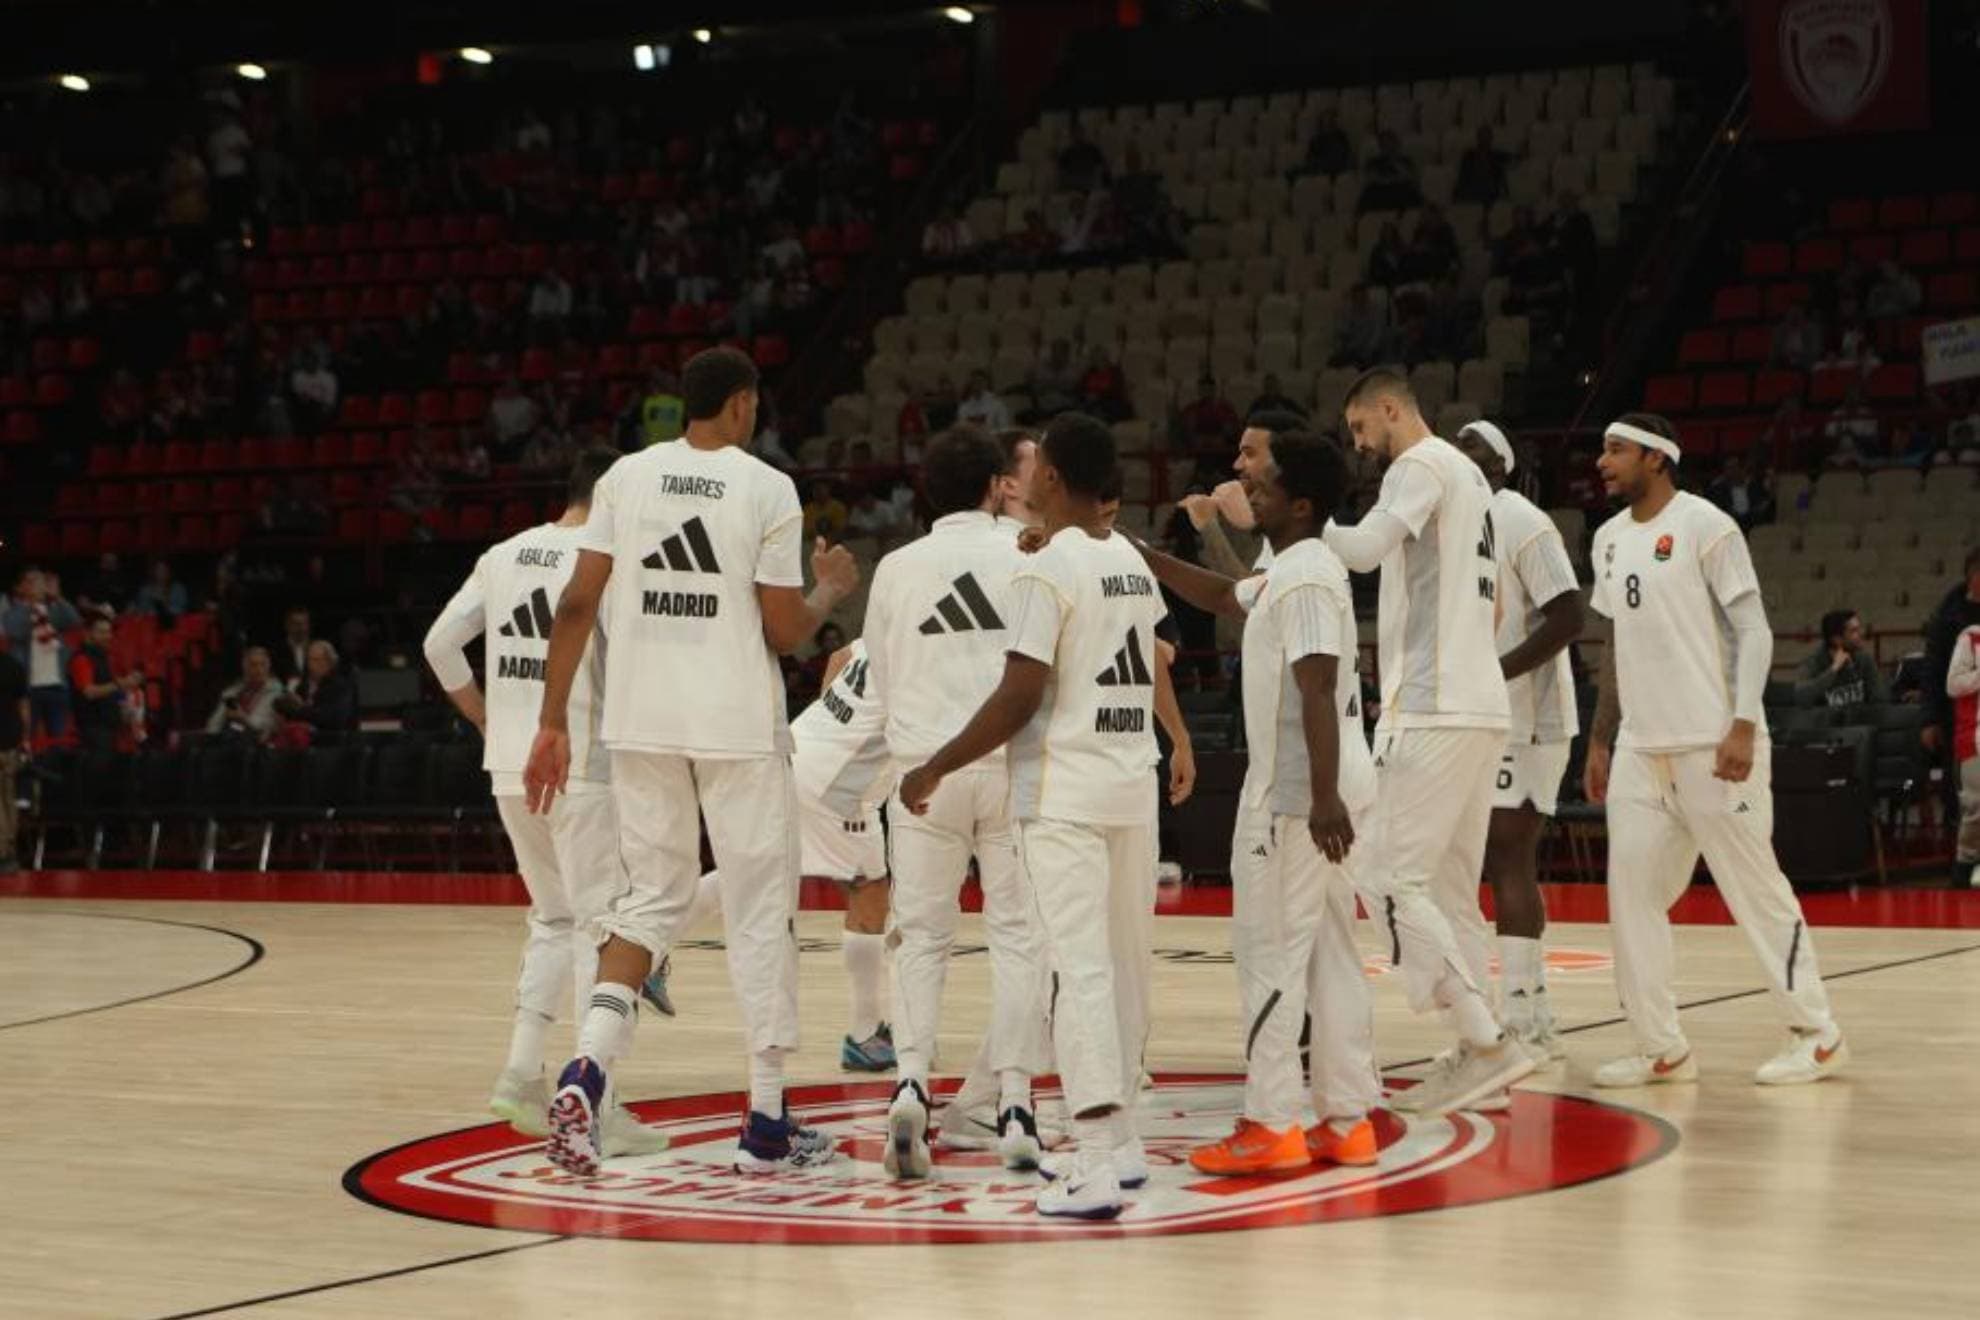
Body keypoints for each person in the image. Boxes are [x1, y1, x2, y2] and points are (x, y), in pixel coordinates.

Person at [522, 347, 860, 1176]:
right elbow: (783, 631)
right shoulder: (765, 487)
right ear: (742, 405)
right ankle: (767, 1123)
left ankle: (587, 1071)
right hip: (736, 726)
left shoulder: (625, 479)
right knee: (758, 909)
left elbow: (574, 605)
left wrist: (550, 723)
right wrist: (827, 594)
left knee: (650, 902)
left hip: (640, 722)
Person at [898, 412, 1166, 1220]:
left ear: (1051, 478)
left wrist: (935, 764)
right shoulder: (1127, 558)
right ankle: (1121, 1148)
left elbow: (1019, 695)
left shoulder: (1048, 571)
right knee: (1118, 972)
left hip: (1067, 796)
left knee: (1078, 976)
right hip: (1129, 782)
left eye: (1038, 464)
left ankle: (1089, 1161)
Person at [1130, 431, 1384, 1175]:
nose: (1253, 494)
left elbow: (1316, 684)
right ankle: (1346, 1118)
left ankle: (1273, 1122)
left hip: (1299, 797)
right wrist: (1140, 555)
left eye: (1265, 486)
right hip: (1320, 791)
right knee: (1332, 955)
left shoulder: (1305, 579)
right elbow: (1221, 594)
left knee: (1268, 953)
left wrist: (1323, 798)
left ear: (1301, 503)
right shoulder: (1294, 567)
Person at [1583, 413, 1848, 1087]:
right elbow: (1615, 645)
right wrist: (1602, 736)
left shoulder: (1707, 526)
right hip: (1644, 748)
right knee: (1631, 895)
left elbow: (1754, 631)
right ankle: (1660, 1046)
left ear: (1658, 457)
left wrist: (1741, 724)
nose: (1602, 462)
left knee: (1755, 891)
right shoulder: (1608, 540)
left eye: (1616, 450)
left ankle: (1817, 1032)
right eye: (1602, 450)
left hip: (1713, 742)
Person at [423, 446, 666, 1157]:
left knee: (553, 919)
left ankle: (521, 1074)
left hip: (508, 765)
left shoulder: (504, 554)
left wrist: (485, 718)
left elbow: (440, 645)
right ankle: (597, 1102)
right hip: (579, 765)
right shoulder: (601, 565)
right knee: (600, 930)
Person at [1322, 367, 1531, 1116]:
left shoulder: (1418, 465)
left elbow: (1365, 550)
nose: (1358, 445)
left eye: (1358, 429)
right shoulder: (1474, 485)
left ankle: (1483, 1036)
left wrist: (1300, 528)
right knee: (1448, 888)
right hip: (1482, 705)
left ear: (1389, 409)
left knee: (1382, 873)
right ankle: (1479, 1055)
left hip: (1434, 706)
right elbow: (1499, 599)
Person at [862, 426, 1052, 1178]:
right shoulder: (1029, 552)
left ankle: (910, 1082)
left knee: (921, 937)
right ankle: (1013, 1106)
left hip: (922, 773)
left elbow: (877, 678)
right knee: (1016, 938)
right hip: (1010, 767)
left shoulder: (896, 568)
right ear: (994, 485)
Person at [639, 634, 900, 1068]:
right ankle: (866, 1033)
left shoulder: (900, 619)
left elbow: (840, 656)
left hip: (802, 747)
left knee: (756, 870)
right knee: (868, 890)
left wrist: (833, 733)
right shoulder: (940, 649)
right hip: (838, 783)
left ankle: (645, 947)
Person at [1454, 421, 1585, 1062]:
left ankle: (1527, 1016)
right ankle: (1522, 1011)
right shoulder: (1452, 524)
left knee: (1507, 853)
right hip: (1474, 711)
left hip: (1530, 712)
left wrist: (1495, 672)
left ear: (1502, 464)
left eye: (1474, 451)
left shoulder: (1523, 520)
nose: (1461, 458)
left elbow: (1570, 614)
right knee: (1483, 858)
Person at [1921, 548, 1980, 832]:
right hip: (1958, 717)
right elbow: (1932, 671)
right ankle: (1959, 851)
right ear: (1974, 577)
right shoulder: (1946, 618)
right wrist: (1930, 720)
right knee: (1960, 785)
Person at [5, 570, 82, 744]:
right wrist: (29, 605)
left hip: (56, 685)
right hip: (29, 688)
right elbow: (15, 631)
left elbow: (75, 621)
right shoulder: (13, 612)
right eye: (30, 581)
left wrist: (57, 597)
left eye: (39, 581)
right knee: (27, 739)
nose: (36, 586)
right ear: (22, 587)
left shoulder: (53, 611)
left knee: (58, 740)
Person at [68, 615, 138, 757]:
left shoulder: (103, 657)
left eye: (109, 632)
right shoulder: (81, 659)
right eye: (102, 632)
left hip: (109, 725)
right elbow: (89, 692)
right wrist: (120, 684)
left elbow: (109, 687)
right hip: (94, 729)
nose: (108, 636)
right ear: (88, 633)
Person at [1794, 609, 1890, 709]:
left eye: (1859, 629)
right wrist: (1833, 670)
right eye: (1854, 631)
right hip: (1827, 723)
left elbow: (1880, 699)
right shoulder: (1813, 663)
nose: (1860, 634)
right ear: (1837, 639)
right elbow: (1801, 698)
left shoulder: (1864, 660)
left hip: (1860, 722)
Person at [274, 641, 358, 740]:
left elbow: (333, 719)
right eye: (309, 660)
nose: (311, 665)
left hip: (332, 743)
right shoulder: (303, 686)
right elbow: (292, 710)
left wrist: (300, 709)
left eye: (317, 660)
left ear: (330, 663)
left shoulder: (340, 687)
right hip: (302, 740)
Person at [1949, 624, 1980, 887]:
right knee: (1975, 808)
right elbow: (1953, 685)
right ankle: (1963, 868)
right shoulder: (1970, 638)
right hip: (1975, 738)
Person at [206, 647, 283, 741]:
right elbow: (214, 723)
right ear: (245, 668)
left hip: (257, 741)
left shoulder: (276, 693)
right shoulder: (233, 691)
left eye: (263, 665)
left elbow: (263, 725)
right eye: (253, 665)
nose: (259, 670)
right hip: (229, 736)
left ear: (268, 666)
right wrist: (212, 738)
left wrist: (242, 717)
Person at [1705, 453, 1776, 532]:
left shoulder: (1754, 487)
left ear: (1742, 469)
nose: (1732, 471)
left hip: (1752, 522)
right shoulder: (1719, 489)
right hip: (1731, 522)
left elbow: (1764, 503)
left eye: (1735, 467)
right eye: (1729, 468)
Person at [0, 643, 24, 874]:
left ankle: (3, 854)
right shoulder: (13, 665)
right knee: (8, 798)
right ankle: (9, 851)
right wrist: (23, 739)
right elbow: (24, 704)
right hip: (11, 741)